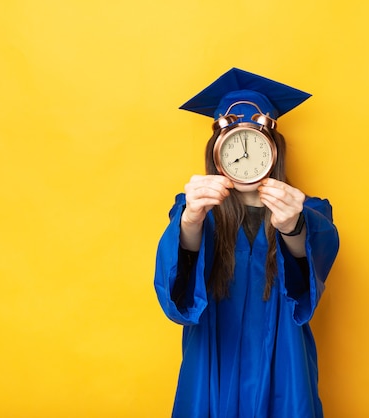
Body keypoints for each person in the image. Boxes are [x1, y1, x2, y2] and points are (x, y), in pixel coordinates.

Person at [154, 68, 339, 417]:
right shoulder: (195, 210)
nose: (244, 158)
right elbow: (175, 286)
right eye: (234, 146)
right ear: (217, 152)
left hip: (284, 365)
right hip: (213, 361)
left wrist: (291, 226)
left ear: (272, 149)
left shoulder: (305, 211)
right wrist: (191, 220)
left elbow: (313, 261)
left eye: (255, 143)